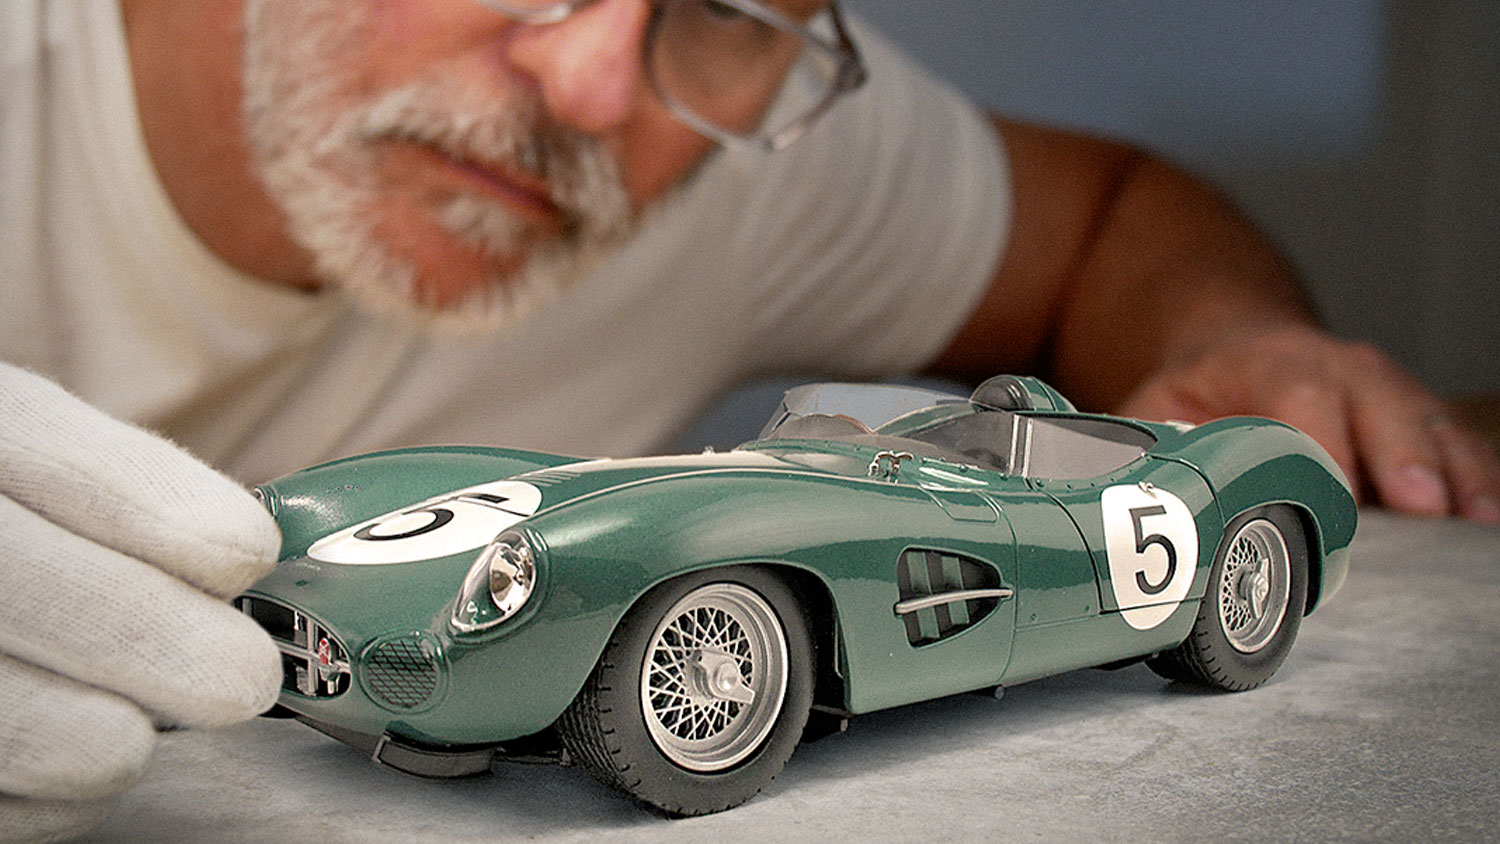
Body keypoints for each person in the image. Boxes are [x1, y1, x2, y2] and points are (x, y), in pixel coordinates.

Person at [2, 1, 1496, 840]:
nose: (591, 83)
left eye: (723, 4)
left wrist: (1224, 334)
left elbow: (1110, 218)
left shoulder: (747, 128)